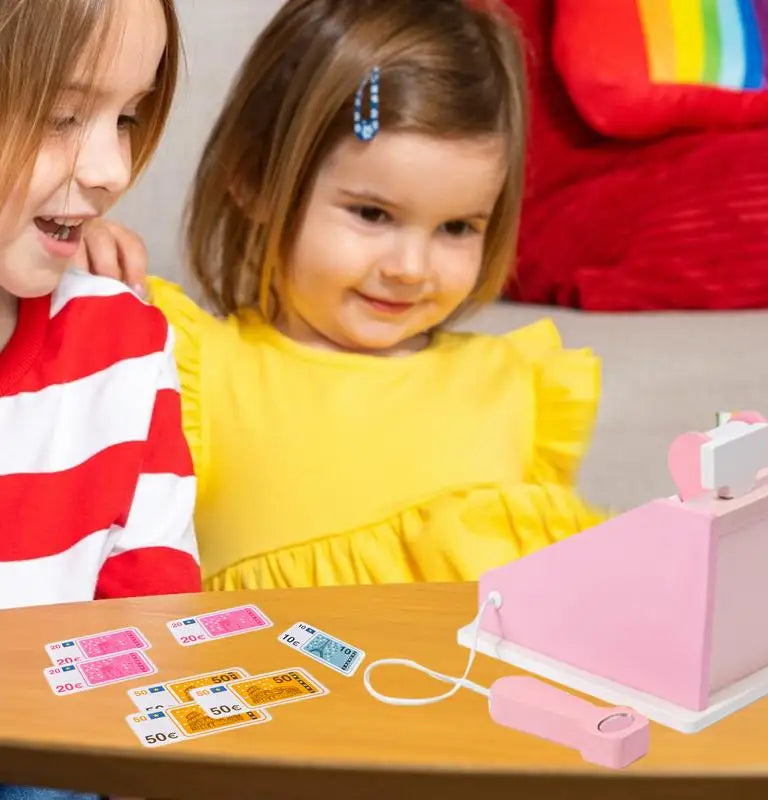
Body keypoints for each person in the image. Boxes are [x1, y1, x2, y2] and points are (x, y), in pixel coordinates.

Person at [81, 0, 607, 594]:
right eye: (372, 214)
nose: (410, 268)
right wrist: (75, 244)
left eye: (457, 227)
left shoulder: (518, 387)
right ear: (255, 178)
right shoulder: (189, 368)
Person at [0, 0, 200, 794]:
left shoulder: (126, 345)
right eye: (63, 115)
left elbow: (153, 617)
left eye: (128, 117)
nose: (115, 168)